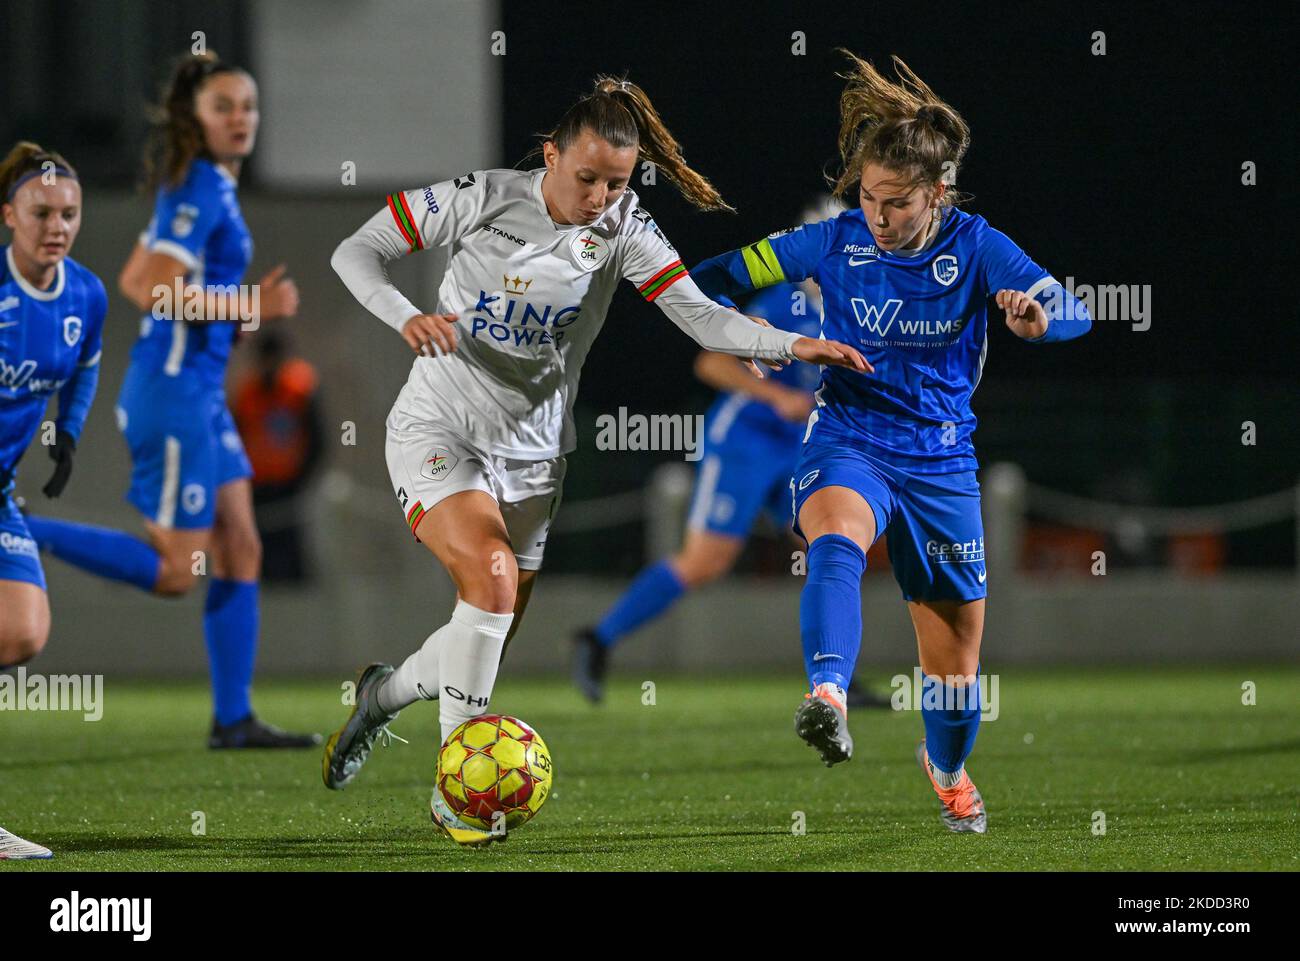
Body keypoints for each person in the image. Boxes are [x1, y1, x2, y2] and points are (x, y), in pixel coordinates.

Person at [325, 75, 868, 845]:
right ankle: (459, 792)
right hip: (438, 424)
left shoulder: (623, 228)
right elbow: (357, 251)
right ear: (550, 155)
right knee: (492, 579)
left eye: (618, 182)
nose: (602, 196)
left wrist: (789, 344)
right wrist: (407, 315)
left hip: (536, 457)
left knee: (481, 629)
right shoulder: (482, 196)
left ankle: (383, 696)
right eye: (587, 177)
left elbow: (703, 319)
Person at [689, 52, 1091, 833]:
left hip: (940, 460)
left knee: (955, 673)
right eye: (869, 198)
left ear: (937, 193)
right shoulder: (832, 243)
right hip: (849, 434)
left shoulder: (978, 247)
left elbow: (1069, 305)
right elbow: (713, 278)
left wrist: (1039, 319)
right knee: (836, 533)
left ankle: (945, 769)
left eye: (898, 202)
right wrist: (762, 339)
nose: (878, 215)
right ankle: (828, 694)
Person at [21, 53, 319, 749]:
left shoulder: (205, 184)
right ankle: (21, 530)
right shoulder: (199, 190)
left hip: (202, 396)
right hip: (175, 396)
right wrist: (256, 302)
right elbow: (149, 286)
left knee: (242, 545)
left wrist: (231, 317)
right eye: (224, 107)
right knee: (175, 572)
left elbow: (148, 280)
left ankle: (233, 718)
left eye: (247, 105)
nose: (240, 118)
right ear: (195, 117)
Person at [572, 196, 892, 709]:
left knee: (830, 546)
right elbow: (712, 365)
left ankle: (835, 677)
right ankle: (599, 639)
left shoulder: (859, 310)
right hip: (745, 442)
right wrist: (776, 396)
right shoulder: (784, 303)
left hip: (798, 446)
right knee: (705, 562)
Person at [0, 141, 108, 860]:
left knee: (21, 633)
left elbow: (87, 366)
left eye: (68, 212)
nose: (57, 225)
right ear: (9, 214)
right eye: (41, 212)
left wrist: (66, 433)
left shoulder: (85, 294)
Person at [231, 328, 326, 583]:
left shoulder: (300, 388)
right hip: (257, 488)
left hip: (289, 489)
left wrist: (299, 481)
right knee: (257, 553)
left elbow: (318, 442)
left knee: (291, 554)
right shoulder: (247, 394)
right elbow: (234, 441)